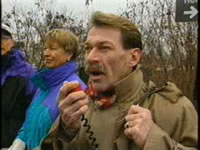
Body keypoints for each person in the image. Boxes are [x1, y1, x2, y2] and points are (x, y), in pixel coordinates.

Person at [40, 11, 198, 150]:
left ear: (133, 58)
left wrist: (155, 140)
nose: (91, 57)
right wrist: (65, 132)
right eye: (88, 48)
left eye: (104, 48)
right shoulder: (78, 108)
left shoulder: (174, 109)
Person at [8, 29, 87, 150]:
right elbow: (30, 121)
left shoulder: (74, 88)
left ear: (69, 54)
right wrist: (20, 141)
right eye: (45, 48)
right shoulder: (42, 87)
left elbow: (75, 137)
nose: (46, 53)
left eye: (53, 48)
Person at [1, 23, 36, 149]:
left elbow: (35, 113)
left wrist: (21, 142)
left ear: (12, 42)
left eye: (4, 37)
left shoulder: (28, 74)